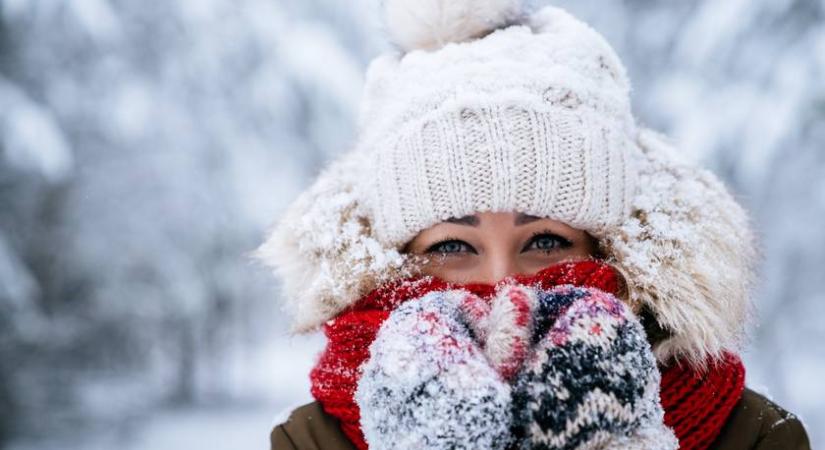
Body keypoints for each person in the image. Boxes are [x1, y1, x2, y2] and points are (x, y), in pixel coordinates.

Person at [252, 2, 811, 449]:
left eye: (545, 241)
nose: (504, 283)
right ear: (397, 261)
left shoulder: (751, 436)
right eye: (451, 244)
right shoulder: (314, 440)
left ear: (610, 249)